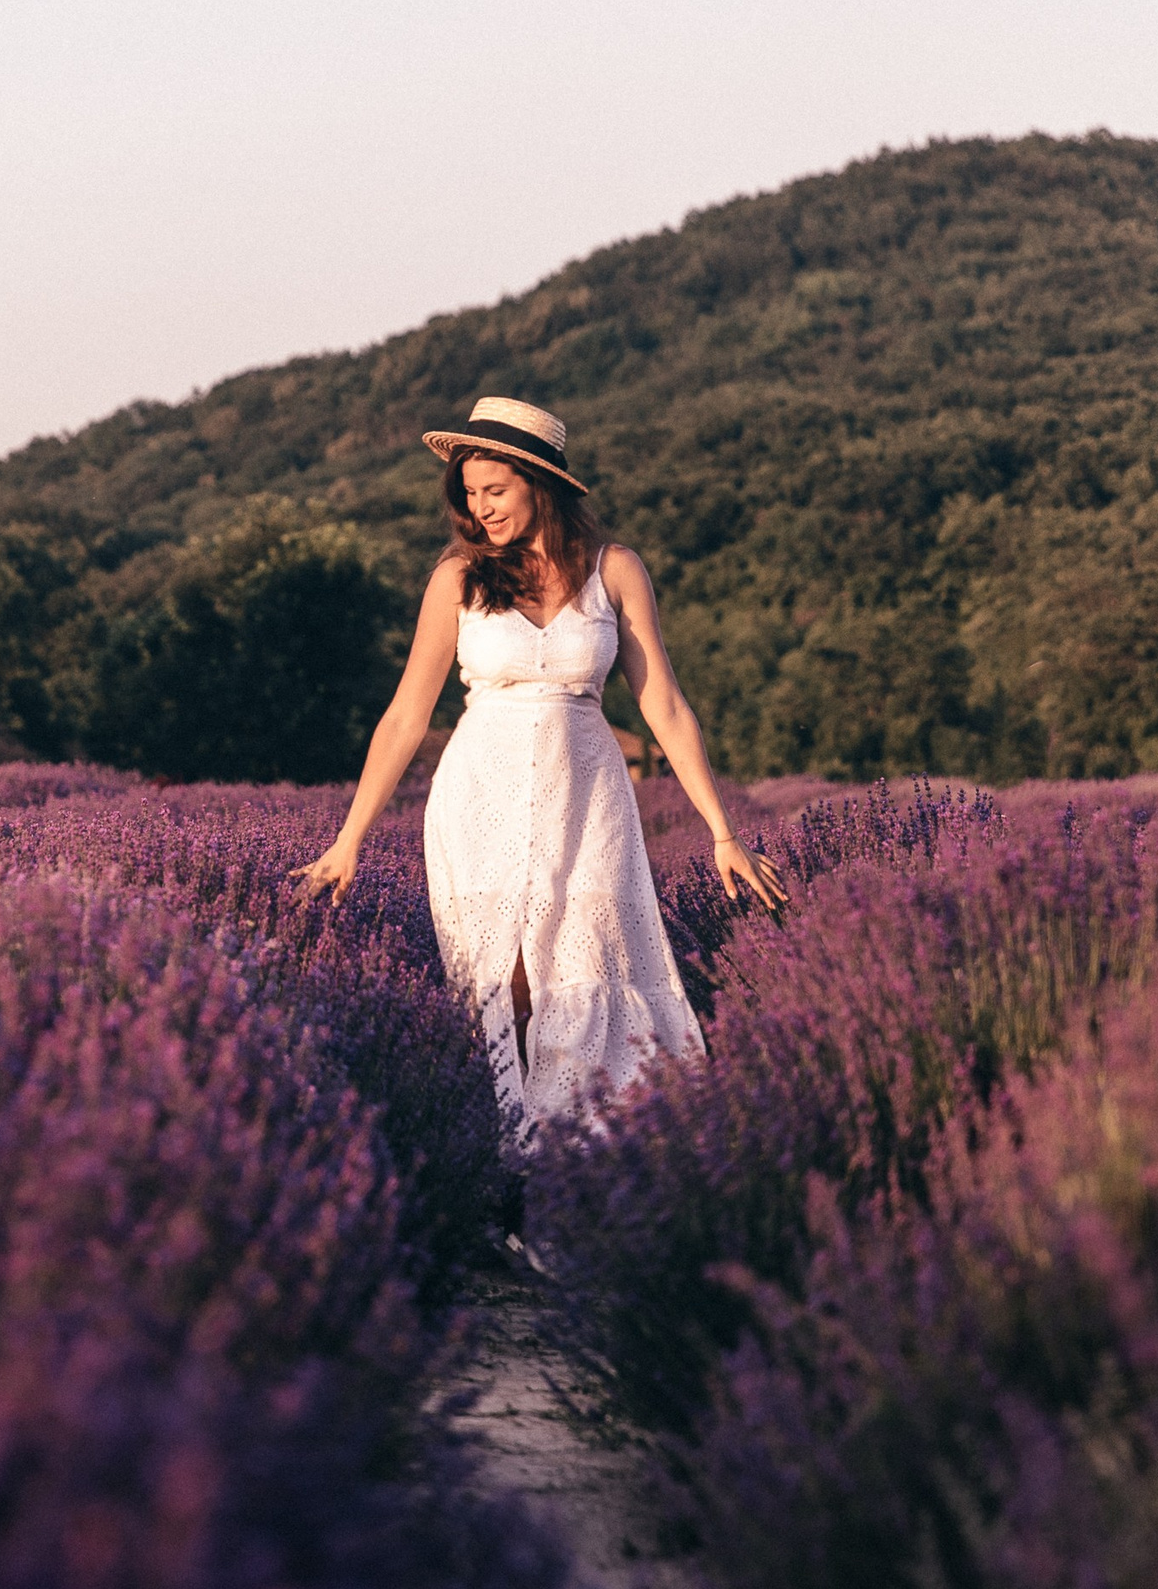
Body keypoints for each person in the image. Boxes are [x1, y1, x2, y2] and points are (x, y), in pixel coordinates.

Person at [291, 397, 788, 1159]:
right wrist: (348, 840)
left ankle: (586, 1158)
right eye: (468, 493)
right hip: (479, 799)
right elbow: (404, 715)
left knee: (584, 974)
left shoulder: (613, 569)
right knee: (506, 983)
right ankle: (511, 1165)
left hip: (588, 800)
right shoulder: (458, 577)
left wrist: (724, 832)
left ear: (537, 481)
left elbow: (662, 699)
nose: (477, 507)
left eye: (494, 489)